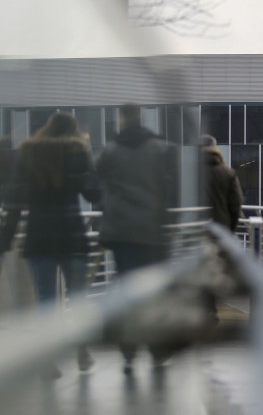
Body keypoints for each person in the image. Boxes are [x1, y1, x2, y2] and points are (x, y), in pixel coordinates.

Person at [0, 112, 101, 379]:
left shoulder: (27, 154)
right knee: (77, 298)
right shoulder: (78, 153)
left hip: (39, 236)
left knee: (46, 301)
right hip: (71, 235)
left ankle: (48, 360)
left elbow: (14, 201)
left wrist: (5, 238)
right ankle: (82, 350)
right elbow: (94, 193)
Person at [96, 102, 176, 374]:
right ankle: (158, 350)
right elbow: (170, 184)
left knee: (127, 288)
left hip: (122, 232)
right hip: (152, 230)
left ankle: (129, 351)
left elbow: (99, 177)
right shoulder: (159, 148)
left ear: (121, 119)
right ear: (140, 118)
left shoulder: (111, 150)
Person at [201, 135, 243, 232]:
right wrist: (230, 229)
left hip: (192, 230)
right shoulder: (228, 172)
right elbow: (236, 203)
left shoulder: (188, 173)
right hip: (220, 228)